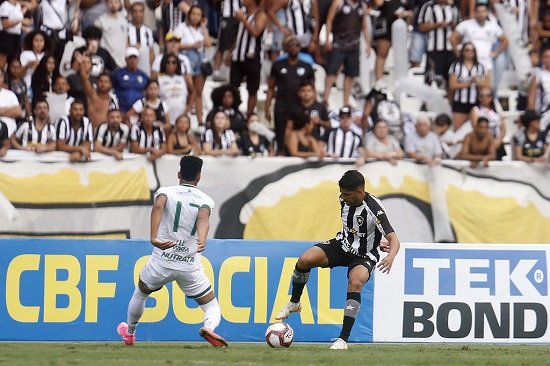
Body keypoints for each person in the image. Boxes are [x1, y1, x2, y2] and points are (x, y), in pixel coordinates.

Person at [274, 169, 400, 350]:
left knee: (355, 282)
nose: (343, 197)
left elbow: (394, 239)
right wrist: (369, 238)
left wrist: (390, 256)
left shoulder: (374, 209)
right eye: (341, 194)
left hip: (364, 255)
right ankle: (294, 302)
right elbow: (356, 228)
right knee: (304, 260)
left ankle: (342, 339)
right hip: (342, 245)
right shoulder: (344, 199)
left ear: (360, 192)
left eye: (347, 194)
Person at [117, 155, 229, 347]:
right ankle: (209, 327)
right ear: (199, 177)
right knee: (211, 305)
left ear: (179, 173)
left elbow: (158, 206)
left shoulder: (166, 192)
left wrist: (154, 237)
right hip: (189, 265)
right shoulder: (205, 199)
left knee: (141, 293)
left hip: (162, 261)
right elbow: (203, 218)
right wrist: (202, 239)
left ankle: (130, 332)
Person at [266, 35, 315, 155]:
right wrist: (267, 108)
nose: (293, 48)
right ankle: (281, 155)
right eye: (290, 45)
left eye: (297, 45)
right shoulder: (278, 65)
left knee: (298, 134)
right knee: (280, 135)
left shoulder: (306, 66)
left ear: (300, 48)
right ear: (286, 48)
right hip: (281, 106)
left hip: (299, 107)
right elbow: (271, 88)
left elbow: (312, 88)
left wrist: (313, 106)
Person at [323, 0, 372, 106]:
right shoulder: (339, 2)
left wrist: (368, 44)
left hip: (354, 45)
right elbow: (329, 20)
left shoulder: (361, 6)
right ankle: (325, 98)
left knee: (350, 74)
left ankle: (345, 102)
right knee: (332, 71)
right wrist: (327, 38)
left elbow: (365, 26)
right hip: (338, 43)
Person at [450, 2, 508, 89]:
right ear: (475, 12)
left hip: (486, 63)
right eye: (478, 11)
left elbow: (505, 40)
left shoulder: (492, 26)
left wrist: (495, 53)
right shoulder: (466, 24)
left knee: (488, 89)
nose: (481, 14)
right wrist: (458, 53)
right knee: (467, 88)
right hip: (469, 63)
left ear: (487, 13)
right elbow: (453, 38)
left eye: (483, 11)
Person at [227, 0, 268, 116]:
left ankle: (249, 115)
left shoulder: (261, 15)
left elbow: (255, 32)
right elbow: (240, 35)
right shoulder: (243, 13)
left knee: (252, 89)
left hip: (252, 57)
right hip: (238, 56)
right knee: (232, 87)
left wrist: (243, 20)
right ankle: (232, 113)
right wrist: (231, 52)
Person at [176, 4, 212, 125]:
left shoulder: (201, 29)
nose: (195, 17)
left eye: (198, 15)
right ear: (189, 15)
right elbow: (176, 44)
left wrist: (204, 27)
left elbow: (208, 43)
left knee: (199, 91)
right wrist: (192, 46)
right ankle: (184, 114)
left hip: (200, 58)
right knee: (189, 89)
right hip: (187, 57)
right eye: (193, 14)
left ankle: (200, 119)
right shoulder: (182, 27)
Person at [417, 0, 460, 91]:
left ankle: (450, 103)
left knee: (451, 78)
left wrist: (452, 25)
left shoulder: (453, 8)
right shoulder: (428, 7)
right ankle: (426, 102)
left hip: (450, 49)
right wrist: (438, 25)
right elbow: (421, 26)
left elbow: (460, 25)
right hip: (434, 49)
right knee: (430, 77)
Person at [74, 51, 119, 131]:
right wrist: (81, 64)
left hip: (107, 136)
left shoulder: (113, 100)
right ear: (97, 83)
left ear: (110, 85)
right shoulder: (92, 95)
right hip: (92, 134)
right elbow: (84, 80)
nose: (103, 84)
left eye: (106, 82)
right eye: (101, 81)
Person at [448, 42, 488, 131]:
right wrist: (470, 82)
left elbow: (485, 85)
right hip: (459, 102)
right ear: (462, 51)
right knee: (458, 130)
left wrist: (476, 82)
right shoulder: (456, 66)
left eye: (472, 50)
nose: (470, 52)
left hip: (475, 102)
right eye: (467, 50)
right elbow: (452, 85)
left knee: (475, 129)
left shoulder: (480, 67)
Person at [371, 0, 413, 82]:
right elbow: (378, 3)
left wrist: (404, 14)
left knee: (400, 55)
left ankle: (401, 79)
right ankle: (379, 80)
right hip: (385, 25)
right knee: (382, 53)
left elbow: (412, 11)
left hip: (400, 27)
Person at [470, 86, 506, 160]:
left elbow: (503, 128)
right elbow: (476, 128)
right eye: (481, 96)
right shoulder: (476, 110)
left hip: (497, 142)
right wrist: (491, 142)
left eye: (487, 95)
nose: (484, 98)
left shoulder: (496, 109)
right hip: (485, 143)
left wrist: (499, 140)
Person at [111, 47, 149, 114]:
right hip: (121, 112)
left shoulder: (144, 76)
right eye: (130, 58)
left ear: (138, 59)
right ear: (126, 60)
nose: (133, 61)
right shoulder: (117, 74)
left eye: (135, 58)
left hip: (139, 113)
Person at [158, 54, 191, 128]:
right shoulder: (160, 79)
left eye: (173, 62)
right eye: (168, 62)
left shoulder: (182, 78)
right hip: (166, 118)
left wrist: (188, 108)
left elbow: (193, 91)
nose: (170, 65)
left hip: (180, 116)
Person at [94, 0, 128, 68]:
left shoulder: (124, 21)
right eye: (110, 2)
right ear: (106, 3)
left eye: (116, 2)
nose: (113, 5)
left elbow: (126, 41)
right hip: (108, 61)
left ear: (119, 4)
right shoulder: (100, 21)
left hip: (122, 61)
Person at [20, 31, 51, 96]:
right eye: (36, 40)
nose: (39, 43)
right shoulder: (25, 54)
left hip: (43, 85)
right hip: (28, 84)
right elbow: (20, 74)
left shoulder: (46, 56)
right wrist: (28, 65)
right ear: (31, 41)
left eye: (41, 41)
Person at [127, 2, 155, 74]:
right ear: (131, 13)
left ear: (143, 13)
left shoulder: (148, 30)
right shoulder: (126, 28)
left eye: (140, 11)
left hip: (144, 63)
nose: (137, 14)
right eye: (135, 11)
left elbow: (151, 51)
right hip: (130, 60)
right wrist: (132, 47)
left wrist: (152, 67)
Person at [5, 58, 31, 126]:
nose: (15, 70)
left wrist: (30, 116)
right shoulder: (7, 82)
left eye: (18, 67)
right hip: (11, 112)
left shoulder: (23, 82)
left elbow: (26, 100)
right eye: (13, 67)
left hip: (22, 113)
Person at [0, 71, 24, 137]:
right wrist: (9, 109)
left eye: (0, 76)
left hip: (10, 135)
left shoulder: (10, 94)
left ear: (3, 78)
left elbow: (18, 112)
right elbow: (14, 110)